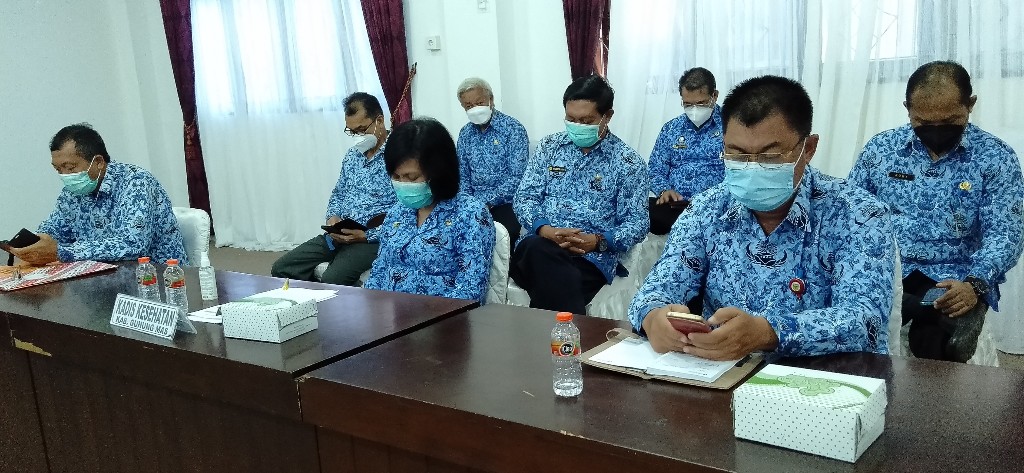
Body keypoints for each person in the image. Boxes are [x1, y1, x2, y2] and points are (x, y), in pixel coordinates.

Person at [629, 76, 895, 360]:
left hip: (824, 374)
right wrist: (653, 317)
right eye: (737, 155)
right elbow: (658, 288)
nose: (752, 168)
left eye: (770, 157)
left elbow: (864, 319)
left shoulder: (858, 214)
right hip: (723, 372)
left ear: (808, 149)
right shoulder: (707, 210)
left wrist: (767, 333)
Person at [849, 61, 1024, 363]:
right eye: (924, 122)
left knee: (935, 343)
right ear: (907, 108)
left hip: (954, 277)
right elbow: (853, 215)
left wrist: (975, 283)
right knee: (856, 329)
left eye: (950, 120)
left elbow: (1006, 232)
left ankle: (932, 316)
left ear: (970, 105)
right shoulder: (881, 150)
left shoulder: (995, 157)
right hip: (889, 268)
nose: (937, 130)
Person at [512, 74, 649, 315]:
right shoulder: (549, 148)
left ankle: (555, 333)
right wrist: (546, 230)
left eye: (586, 120)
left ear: (607, 116)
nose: (577, 126)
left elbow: (637, 223)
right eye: (571, 119)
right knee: (540, 252)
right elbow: (524, 198)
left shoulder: (627, 163)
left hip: (590, 258)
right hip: (539, 243)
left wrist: (596, 241)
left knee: (558, 275)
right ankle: (572, 333)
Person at [8, 123, 187, 265]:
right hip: (103, 278)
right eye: (58, 169)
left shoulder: (136, 183)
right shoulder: (72, 192)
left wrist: (62, 252)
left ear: (99, 162)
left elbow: (133, 245)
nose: (64, 175)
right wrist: (36, 244)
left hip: (160, 279)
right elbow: (54, 229)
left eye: (70, 167)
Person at [364, 118, 496, 303]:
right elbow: (379, 271)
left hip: (441, 316)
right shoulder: (397, 213)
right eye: (396, 177)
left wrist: (420, 316)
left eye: (411, 177)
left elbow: (470, 290)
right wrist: (369, 306)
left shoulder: (470, 214)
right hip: (389, 313)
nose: (403, 184)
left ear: (438, 172)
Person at [271, 92, 396, 285]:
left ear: (379, 121)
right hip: (339, 234)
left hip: (370, 239)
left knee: (332, 279)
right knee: (282, 268)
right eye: (352, 132)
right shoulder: (353, 155)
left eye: (361, 130)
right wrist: (333, 217)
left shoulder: (398, 155)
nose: (358, 137)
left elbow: (407, 213)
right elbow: (339, 193)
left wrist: (367, 235)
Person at [648, 67, 725, 235]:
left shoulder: (732, 127)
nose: (694, 109)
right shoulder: (671, 129)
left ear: (715, 95)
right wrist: (664, 191)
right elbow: (654, 170)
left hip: (717, 208)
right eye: (688, 104)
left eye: (701, 103)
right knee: (640, 210)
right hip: (676, 207)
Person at [455, 77, 530, 242]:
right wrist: (469, 203)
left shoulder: (513, 129)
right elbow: (463, 175)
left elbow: (517, 177)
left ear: (491, 99)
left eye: (479, 103)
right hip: (473, 202)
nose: (475, 109)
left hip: (507, 203)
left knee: (498, 237)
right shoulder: (465, 134)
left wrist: (487, 202)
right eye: (469, 106)